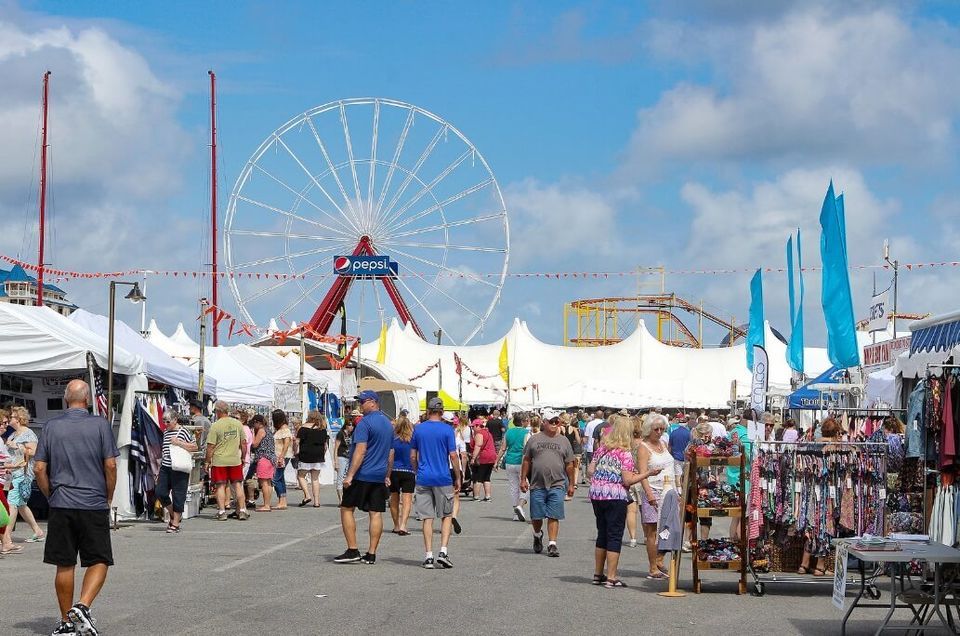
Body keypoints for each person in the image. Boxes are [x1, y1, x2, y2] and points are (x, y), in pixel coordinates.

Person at [34, 380, 119, 635]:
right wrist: (108, 495)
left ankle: (65, 622)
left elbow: (39, 468)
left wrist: (51, 494)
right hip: (92, 502)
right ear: (89, 399)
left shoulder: (51, 427)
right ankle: (82, 605)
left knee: (64, 563)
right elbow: (111, 465)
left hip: (61, 502)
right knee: (99, 558)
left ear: (65, 398)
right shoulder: (101, 425)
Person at [589, 415, 663, 588]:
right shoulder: (625, 454)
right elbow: (628, 480)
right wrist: (648, 473)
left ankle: (598, 573)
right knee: (614, 535)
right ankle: (612, 576)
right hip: (615, 495)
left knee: (602, 533)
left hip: (597, 494)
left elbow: (591, 470)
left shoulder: (601, 449)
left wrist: (605, 474)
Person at [334, 390, 394, 565]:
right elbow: (391, 452)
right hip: (378, 474)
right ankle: (371, 553)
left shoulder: (364, 423)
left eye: (362, 402)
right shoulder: (388, 424)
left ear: (373, 402)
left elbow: (360, 450)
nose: (360, 405)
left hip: (362, 474)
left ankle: (352, 549)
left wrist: (350, 475)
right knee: (375, 512)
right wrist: (387, 474)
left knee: (346, 508)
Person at [411, 397, 462, 568]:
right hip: (442, 477)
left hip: (424, 477)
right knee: (446, 515)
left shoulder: (418, 429)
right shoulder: (447, 430)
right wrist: (458, 476)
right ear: (441, 411)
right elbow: (453, 456)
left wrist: (417, 470)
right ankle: (443, 551)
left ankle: (428, 556)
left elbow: (412, 455)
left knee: (427, 517)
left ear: (428, 411)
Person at [520, 415, 576, 557]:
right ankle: (537, 534)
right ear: (544, 422)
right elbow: (526, 460)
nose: (554, 424)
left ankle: (552, 544)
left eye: (556, 421)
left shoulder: (564, 441)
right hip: (537, 483)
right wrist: (522, 479)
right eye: (551, 421)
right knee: (537, 516)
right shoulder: (534, 439)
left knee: (554, 514)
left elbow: (570, 464)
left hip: (557, 483)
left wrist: (572, 484)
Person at [798, 417, 842, 576]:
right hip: (825, 492)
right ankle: (820, 566)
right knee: (824, 525)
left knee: (812, 525)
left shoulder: (811, 444)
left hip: (811, 491)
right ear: (836, 432)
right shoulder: (835, 448)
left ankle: (804, 564)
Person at [637, 412, 675, 579]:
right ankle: (653, 567)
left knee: (668, 528)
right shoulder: (643, 447)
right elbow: (643, 473)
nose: (659, 432)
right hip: (653, 491)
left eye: (662, 429)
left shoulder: (663, 444)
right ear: (648, 429)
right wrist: (649, 494)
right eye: (656, 429)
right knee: (652, 531)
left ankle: (659, 558)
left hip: (669, 490)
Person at [2, 405, 45, 549]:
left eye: (12, 417)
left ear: (19, 419)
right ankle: (38, 531)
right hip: (12, 472)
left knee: (12, 504)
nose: (9, 420)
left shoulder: (29, 434)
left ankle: (6, 537)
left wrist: (16, 446)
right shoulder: (13, 434)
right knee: (21, 505)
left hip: (22, 473)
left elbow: (33, 452)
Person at [205, 401, 249, 521]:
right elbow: (244, 444)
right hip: (234, 459)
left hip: (220, 460)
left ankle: (222, 511)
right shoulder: (237, 424)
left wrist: (207, 461)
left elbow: (210, 446)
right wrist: (243, 457)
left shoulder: (215, 426)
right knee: (238, 485)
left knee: (220, 486)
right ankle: (243, 510)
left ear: (218, 412)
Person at [156, 412, 198, 533]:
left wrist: (179, 443)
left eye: (168, 421)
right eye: (163, 421)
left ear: (175, 420)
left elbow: (194, 447)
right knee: (160, 492)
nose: (165, 424)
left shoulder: (184, 431)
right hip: (166, 467)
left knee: (178, 495)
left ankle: (175, 524)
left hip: (179, 467)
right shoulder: (165, 432)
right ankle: (173, 515)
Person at [496, 411, 530, 521]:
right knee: (526, 485)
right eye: (526, 420)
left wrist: (496, 461)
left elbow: (503, 448)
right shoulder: (526, 433)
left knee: (513, 487)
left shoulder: (508, 432)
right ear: (523, 421)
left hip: (510, 461)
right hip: (522, 461)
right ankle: (520, 505)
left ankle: (515, 512)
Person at [388, 414, 415, 535]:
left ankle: (396, 525)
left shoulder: (393, 439)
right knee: (407, 499)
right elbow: (415, 456)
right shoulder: (412, 440)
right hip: (409, 471)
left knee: (394, 498)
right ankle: (404, 524)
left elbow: (390, 456)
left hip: (394, 470)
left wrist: (387, 474)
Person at [295, 410, 328, 508]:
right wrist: (323, 454)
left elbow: (297, 442)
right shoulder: (322, 429)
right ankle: (316, 502)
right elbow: (325, 445)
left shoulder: (303, 428)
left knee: (301, 475)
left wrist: (295, 451)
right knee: (315, 478)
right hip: (318, 455)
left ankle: (307, 495)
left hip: (306, 454)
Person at [249, 414, 276, 512]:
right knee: (268, 482)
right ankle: (267, 503)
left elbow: (255, 444)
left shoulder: (261, 431)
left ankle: (266, 505)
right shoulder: (268, 430)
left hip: (263, 458)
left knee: (264, 483)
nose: (253, 425)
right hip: (271, 458)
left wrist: (252, 436)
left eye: (254, 423)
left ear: (257, 422)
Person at [469, 416, 497, 501]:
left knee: (478, 477)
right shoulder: (488, 433)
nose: (472, 428)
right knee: (487, 477)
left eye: (473, 426)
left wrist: (473, 458)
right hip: (491, 456)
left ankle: (476, 496)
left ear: (478, 425)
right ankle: (487, 496)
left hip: (483, 457)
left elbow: (478, 445)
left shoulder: (479, 434)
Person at [271, 410, 293, 510]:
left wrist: (281, 456)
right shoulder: (281, 429)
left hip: (282, 456)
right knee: (280, 478)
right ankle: (282, 500)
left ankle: (282, 500)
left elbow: (287, 443)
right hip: (280, 456)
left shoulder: (285, 430)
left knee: (276, 478)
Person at [333, 418, 355, 504]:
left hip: (350, 458)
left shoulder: (352, 434)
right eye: (349, 425)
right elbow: (336, 448)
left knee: (349, 477)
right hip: (342, 457)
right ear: (346, 425)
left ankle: (348, 497)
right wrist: (336, 461)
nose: (351, 427)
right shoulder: (340, 434)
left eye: (352, 425)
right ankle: (341, 500)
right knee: (340, 477)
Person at [561, 413, 582, 500]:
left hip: (561, 451)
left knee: (562, 472)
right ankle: (569, 490)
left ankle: (563, 491)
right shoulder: (574, 429)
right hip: (571, 451)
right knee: (570, 471)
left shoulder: (560, 428)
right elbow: (579, 441)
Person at [668, 413, 693, 486]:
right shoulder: (689, 433)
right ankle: (684, 491)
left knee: (677, 475)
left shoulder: (673, 433)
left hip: (676, 457)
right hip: (686, 458)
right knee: (686, 476)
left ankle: (679, 491)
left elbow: (669, 446)